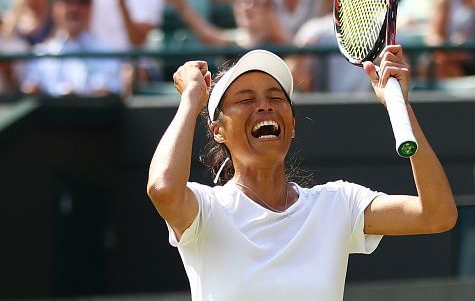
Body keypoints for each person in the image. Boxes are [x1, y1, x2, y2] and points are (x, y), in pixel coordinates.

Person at [147, 47, 458, 299]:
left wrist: (399, 106)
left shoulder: (338, 204)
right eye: (246, 99)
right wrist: (191, 97)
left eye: (276, 97)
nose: (265, 106)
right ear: (218, 131)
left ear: (292, 126)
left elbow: (437, 214)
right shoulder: (206, 209)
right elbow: (162, 188)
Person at [20, 0, 124, 96]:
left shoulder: (107, 54)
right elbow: (30, 89)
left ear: (90, 10)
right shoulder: (40, 54)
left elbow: (110, 92)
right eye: (67, 1)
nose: (74, 9)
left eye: (81, 2)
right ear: (56, 9)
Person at [163, 0, 291, 48]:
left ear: (267, 8)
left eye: (255, 1)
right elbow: (208, 34)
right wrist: (181, 5)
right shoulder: (234, 41)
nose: (247, 8)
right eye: (242, 2)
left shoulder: (278, 42)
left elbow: (290, 47)